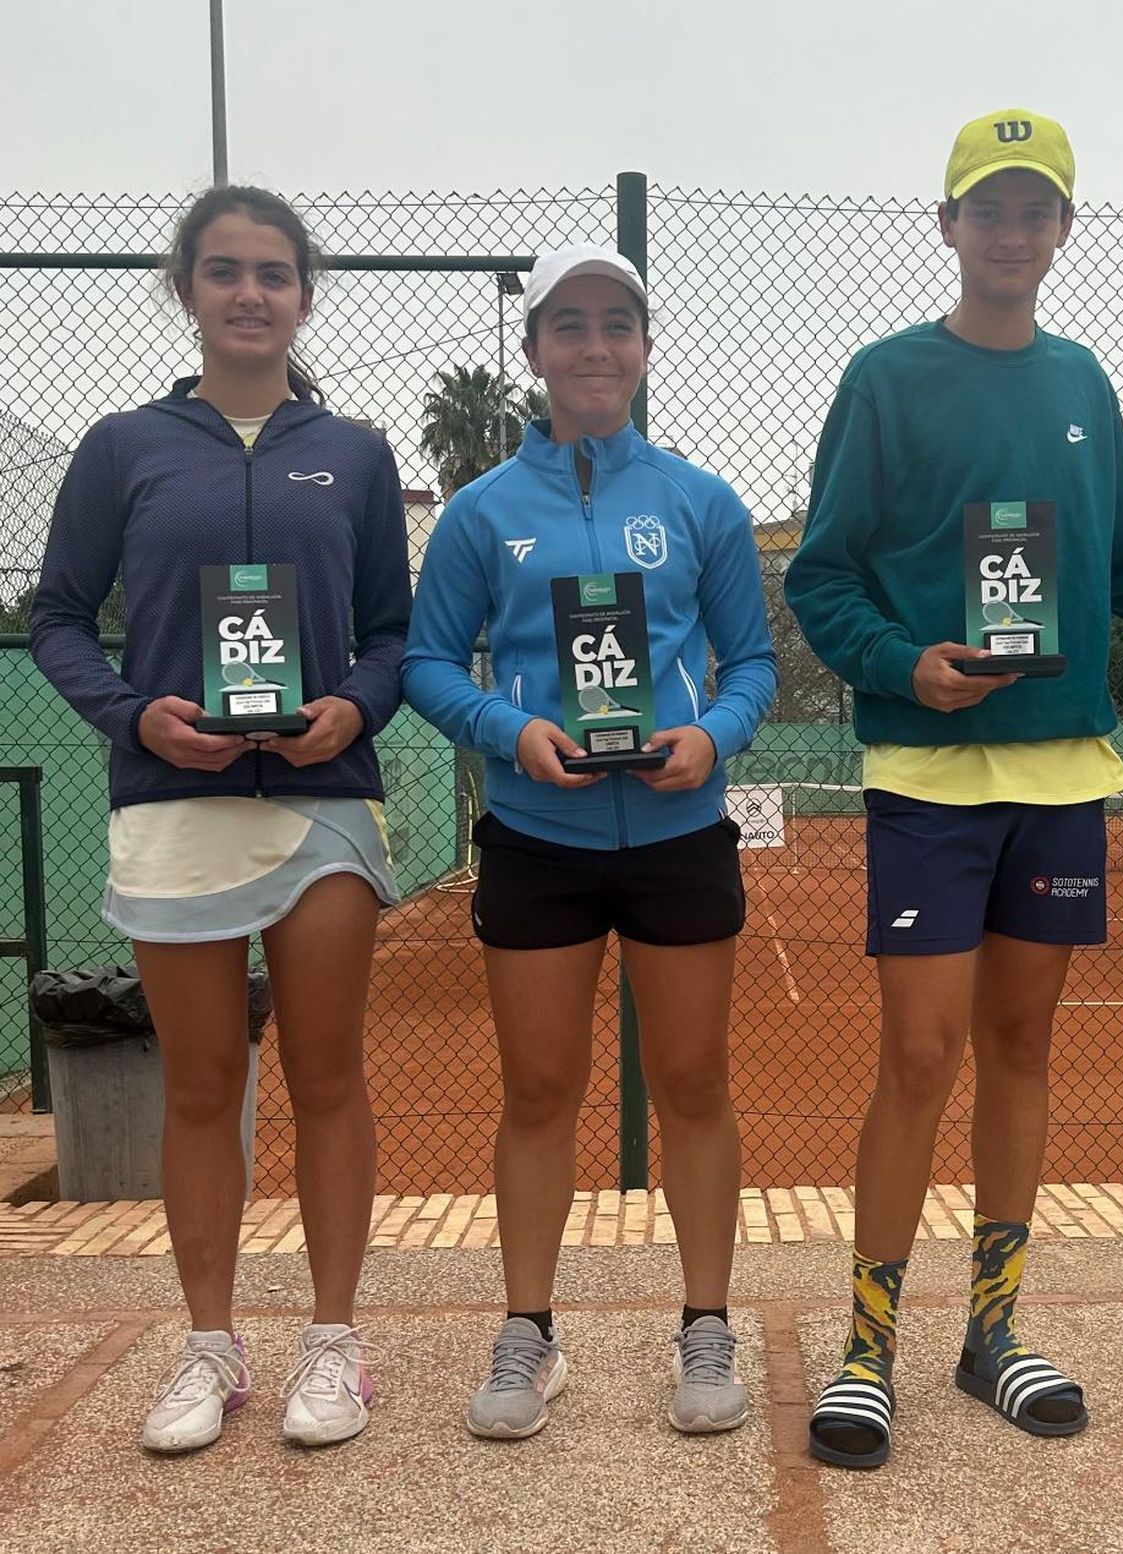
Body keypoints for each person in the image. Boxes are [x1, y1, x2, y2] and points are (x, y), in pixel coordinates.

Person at [784, 109, 1123, 1467]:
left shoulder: (1086, 382)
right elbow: (819, 574)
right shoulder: (885, 379)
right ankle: (867, 1345)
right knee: (919, 1053)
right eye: (987, 208)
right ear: (946, 225)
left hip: (1065, 766)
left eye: (1036, 209)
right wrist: (908, 664)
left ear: (1066, 228)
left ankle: (993, 1329)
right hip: (931, 773)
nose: (1012, 232)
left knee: (1020, 1048)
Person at [30, 186, 412, 1451]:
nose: (250, 293)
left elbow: (392, 636)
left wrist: (355, 710)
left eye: (274, 273)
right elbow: (58, 618)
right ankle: (208, 1347)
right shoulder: (123, 447)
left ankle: (336, 1345)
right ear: (186, 289)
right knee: (201, 1086)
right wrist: (136, 717)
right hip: (174, 803)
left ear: (306, 293)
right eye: (224, 271)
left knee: (328, 1076)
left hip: (321, 810)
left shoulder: (354, 452)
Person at [402, 244, 777, 1441]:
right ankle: (529, 1333)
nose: (595, 346)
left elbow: (750, 663)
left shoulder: (699, 502)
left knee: (695, 1085)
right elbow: (424, 662)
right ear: (535, 353)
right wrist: (511, 734)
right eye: (569, 326)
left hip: (676, 831)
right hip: (535, 836)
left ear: (646, 347)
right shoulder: (480, 512)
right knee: (539, 1092)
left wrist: (712, 738)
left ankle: (704, 1324)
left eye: (617, 324)